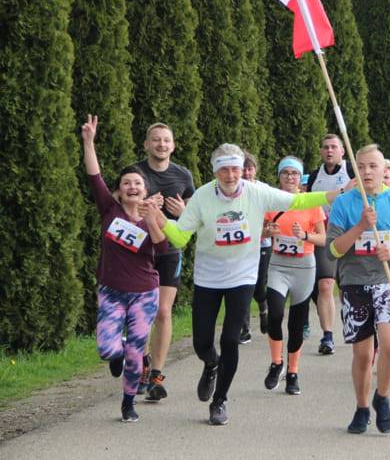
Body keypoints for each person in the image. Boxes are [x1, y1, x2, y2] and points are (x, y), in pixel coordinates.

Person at [155, 143, 341, 425]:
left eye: (236, 169)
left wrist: (339, 192)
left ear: (243, 170)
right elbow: (181, 238)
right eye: (224, 169)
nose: (231, 175)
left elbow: (298, 202)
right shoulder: (203, 197)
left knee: (231, 339)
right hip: (209, 277)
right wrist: (158, 219)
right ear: (215, 171)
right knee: (202, 342)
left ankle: (220, 401)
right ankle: (210, 363)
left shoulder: (257, 192)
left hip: (242, 276)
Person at [327, 144, 390, 434]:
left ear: (384, 170)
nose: (367, 172)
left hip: (387, 281)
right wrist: (360, 227)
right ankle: (362, 407)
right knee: (363, 355)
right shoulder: (344, 204)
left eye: (373, 166)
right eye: (361, 166)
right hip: (354, 284)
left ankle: (383, 397)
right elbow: (333, 251)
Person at [82, 115, 166, 422]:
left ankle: (128, 401)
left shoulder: (154, 217)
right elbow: (94, 176)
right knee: (108, 349)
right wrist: (88, 142)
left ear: (144, 191)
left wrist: (153, 218)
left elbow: (162, 248)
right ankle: (116, 355)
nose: (132, 187)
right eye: (126, 183)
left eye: (137, 183)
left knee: (134, 354)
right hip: (112, 292)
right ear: (119, 191)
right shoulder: (110, 209)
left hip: (144, 294)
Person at [134, 122, 195, 401]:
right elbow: (116, 206)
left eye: (166, 140)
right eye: (155, 140)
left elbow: (195, 216)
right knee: (140, 313)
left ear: (173, 145)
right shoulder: (134, 174)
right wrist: (144, 205)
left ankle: (156, 374)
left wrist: (183, 211)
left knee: (163, 312)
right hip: (139, 250)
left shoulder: (183, 174)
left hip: (169, 251)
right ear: (146, 144)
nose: (161, 145)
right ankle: (142, 366)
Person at [262, 156, 326, 395]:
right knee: (275, 313)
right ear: (279, 177)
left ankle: (293, 372)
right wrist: (266, 231)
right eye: (286, 173)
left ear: (301, 178)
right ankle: (276, 362)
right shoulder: (271, 201)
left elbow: (323, 238)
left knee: (297, 323)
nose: (290, 177)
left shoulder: (310, 203)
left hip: (304, 267)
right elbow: (259, 233)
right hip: (278, 265)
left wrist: (306, 236)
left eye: (295, 174)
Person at [306, 134, 355, 356]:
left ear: (342, 151)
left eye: (334, 147)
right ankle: (327, 336)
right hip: (324, 234)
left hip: (349, 233)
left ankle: (351, 315)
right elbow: (307, 205)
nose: (329, 151)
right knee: (325, 284)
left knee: (348, 288)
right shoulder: (315, 175)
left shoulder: (351, 171)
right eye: (325, 147)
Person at [240, 152, 273, 342]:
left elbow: (274, 213)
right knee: (242, 286)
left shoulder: (263, 189)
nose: (246, 172)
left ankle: (263, 307)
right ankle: (244, 329)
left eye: (249, 168)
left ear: (255, 170)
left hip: (262, 244)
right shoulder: (230, 190)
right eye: (242, 169)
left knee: (259, 287)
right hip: (239, 247)